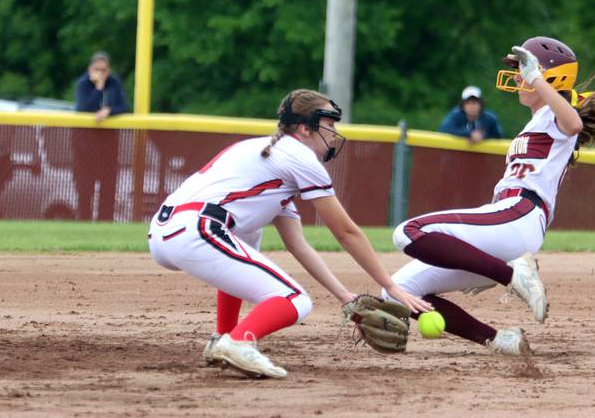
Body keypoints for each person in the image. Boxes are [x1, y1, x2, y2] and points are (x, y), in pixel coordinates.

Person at [387, 36, 595, 355]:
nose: (518, 77)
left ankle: (513, 275)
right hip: (507, 221)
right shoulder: (538, 119)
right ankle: (501, 341)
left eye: (523, 71)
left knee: (409, 233)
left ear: (548, 78)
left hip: (520, 213)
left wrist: (536, 76)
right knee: (396, 292)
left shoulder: (555, 114)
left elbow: (573, 122)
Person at [147, 89, 432, 379]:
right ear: (304, 128)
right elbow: (347, 233)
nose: (334, 132)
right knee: (296, 300)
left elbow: (298, 245)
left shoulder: (272, 156)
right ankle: (238, 340)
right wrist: (391, 287)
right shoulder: (301, 158)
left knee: (249, 233)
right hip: (197, 229)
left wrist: (344, 296)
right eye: (328, 123)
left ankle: (224, 336)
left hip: (167, 233)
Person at [72, 51, 129, 221]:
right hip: (85, 146)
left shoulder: (114, 83)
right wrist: (98, 87)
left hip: (108, 145)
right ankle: (83, 223)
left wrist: (109, 110)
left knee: (108, 188)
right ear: (90, 69)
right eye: (97, 70)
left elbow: (124, 106)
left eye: (104, 70)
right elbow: (84, 107)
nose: (100, 73)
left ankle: (105, 223)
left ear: (109, 70)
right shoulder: (83, 84)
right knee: (85, 188)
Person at [437, 85, 503, 143]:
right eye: (468, 103)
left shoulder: (490, 118)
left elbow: (499, 136)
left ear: (481, 104)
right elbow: (443, 129)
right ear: (463, 106)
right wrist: (469, 134)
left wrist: (482, 137)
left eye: (475, 103)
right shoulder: (456, 115)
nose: (472, 106)